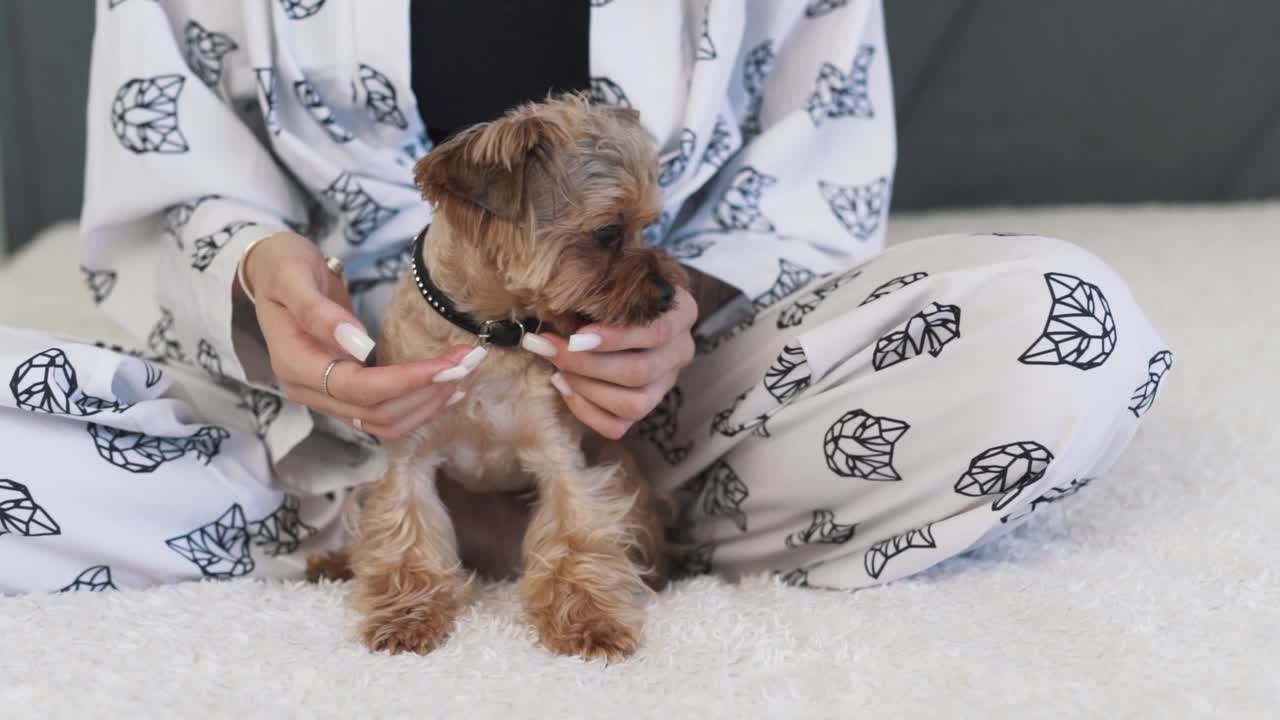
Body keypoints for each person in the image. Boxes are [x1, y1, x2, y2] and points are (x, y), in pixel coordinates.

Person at [0, 0, 1171, 594]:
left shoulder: (672, 305)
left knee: (1066, 333)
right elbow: (169, 171)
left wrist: (678, 310)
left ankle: (621, 514)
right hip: (313, 417)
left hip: (685, 404)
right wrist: (257, 280)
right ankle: (372, 519)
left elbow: (816, 158)